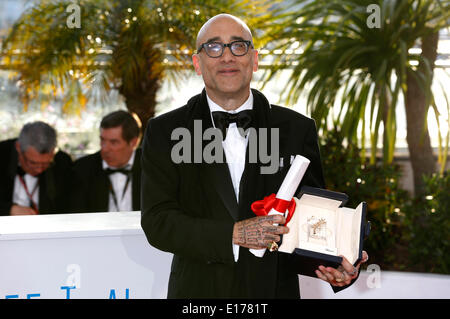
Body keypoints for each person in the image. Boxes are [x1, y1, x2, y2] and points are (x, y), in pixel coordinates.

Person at [140, 14, 368, 298]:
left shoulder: (297, 129)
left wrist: (333, 265)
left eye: (238, 46)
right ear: (197, 63)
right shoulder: (165, 131)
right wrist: (233, 235)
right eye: (214, 47)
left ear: (255, 59)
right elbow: (158, 222)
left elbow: (309, 216)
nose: (227, 57)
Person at [70, 110, 142, 213]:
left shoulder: (152, 168)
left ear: (133, 142)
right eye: (102, 140)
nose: (105, 149)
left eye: (113, 142)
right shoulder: (83, 169)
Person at [0, 121, 73, 216]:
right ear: (18, 147)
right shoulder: (2, 154)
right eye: (33, 163)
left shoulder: (62, 162)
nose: (39, 170)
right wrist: (9, 209)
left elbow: (69, 205)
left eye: (46, 163)